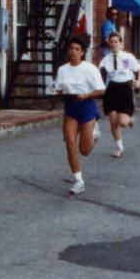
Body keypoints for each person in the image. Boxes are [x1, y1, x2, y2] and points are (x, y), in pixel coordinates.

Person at [54, 35, 105, 195]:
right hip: (71, 108)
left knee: (85, 150)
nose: (73, 52)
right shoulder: (63, 70)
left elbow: (101, 90)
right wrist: (56, 91)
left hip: (86, 107)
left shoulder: (90, 68)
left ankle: (94, 133)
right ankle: (79, 180)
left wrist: (87, 95)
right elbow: (59, 88)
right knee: (70, 143)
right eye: (71, 49)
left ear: (82, 52)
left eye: (77, 49)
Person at [98, 33, 140, 157]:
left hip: (125, 89)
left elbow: (139, 70)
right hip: (112, 89)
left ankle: (129, 120)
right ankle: (119, 147)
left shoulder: (128, 57)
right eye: (111, 42)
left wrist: (138, 81)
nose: (113, 44)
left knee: (122, 122)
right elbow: (99, 75)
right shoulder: (105, 60)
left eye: (116, 42)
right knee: (113, 120)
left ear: (120, 43)